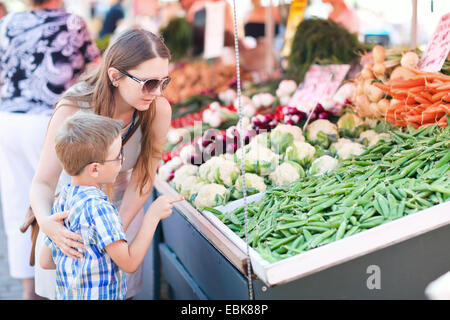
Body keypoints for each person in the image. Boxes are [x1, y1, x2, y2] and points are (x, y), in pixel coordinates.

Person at [30, 27, 173, 300]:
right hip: (68, 221)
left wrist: (112, 228)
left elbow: (144, 174)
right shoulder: (73, 107)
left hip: (124, 211)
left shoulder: (158, 109)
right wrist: (49, 226)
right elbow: (42, 182)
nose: (156, 92)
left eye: (164, 82)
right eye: (149, 83)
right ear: (115, 76)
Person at [0, 0, 100, 300]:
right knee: (57, 204)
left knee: (19, 205)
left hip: (8, 121)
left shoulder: (6, 25)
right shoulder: (72, 23)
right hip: (51, 120)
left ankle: (29, 291)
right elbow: (96, 74)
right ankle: (58, 287)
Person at [39, 112, 180, 300]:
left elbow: (46, 261)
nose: (122, 159)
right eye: (118, 155)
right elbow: (129, 263)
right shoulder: (100, 208)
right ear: (95, 169)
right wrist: (152, 216)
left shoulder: (64, 198)